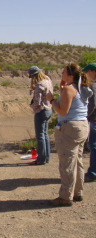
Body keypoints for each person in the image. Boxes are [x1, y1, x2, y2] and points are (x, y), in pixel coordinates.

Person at [46, 63, 92, 206]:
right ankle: (78, 192)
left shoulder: (69, 89)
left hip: (69, 128)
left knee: (67, 163)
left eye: (64, 72)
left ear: (71, 75)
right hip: (82, 126)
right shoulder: (81, 88)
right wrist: (62, 90)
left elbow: (62, 111)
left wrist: (51, 100)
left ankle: (66, 196)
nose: (61, 73)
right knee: (77, 161)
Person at [28, 66, 53, 165]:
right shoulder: (47, 80)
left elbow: (37, 102)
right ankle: (46, 157)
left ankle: (41, 159)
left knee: (40, 136)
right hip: (49, 109)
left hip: (41, 111)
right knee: (45, 135)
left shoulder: (39, 84)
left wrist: (31, 105)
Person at [82, 63, 96, 182]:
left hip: (94, 120)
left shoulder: (93, 86)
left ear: (93, 71)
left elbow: (92, 104)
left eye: (87, 71)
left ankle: (93, 173)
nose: (85, 74)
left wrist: (86, 115)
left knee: (93, 146)